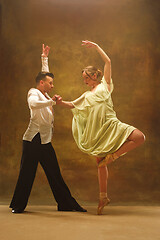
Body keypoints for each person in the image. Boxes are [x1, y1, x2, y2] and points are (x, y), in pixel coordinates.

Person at [52, 40, 145, 215]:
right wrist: (59, 102)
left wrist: (96, 47)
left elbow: (108, 62)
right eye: (84, 79)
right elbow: (71, 105)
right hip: (99, 132)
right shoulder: (86, 95)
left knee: (139, 137)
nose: (85, 81)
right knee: (100, 164)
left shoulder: (105, 86)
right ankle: (103, 197)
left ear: (94, 76)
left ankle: (114, 156)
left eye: (86, 78)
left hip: (112, 125)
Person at [9, 44, 87, 213]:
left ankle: (66, 203)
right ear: (42, 83)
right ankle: (18, 205)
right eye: (50, 83)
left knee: (54, 173)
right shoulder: (34, 93)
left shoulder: (44, 92)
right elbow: (33, 104)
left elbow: (45, 75)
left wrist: (44, 58)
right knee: (27, 173)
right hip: (32, 140)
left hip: (45, 141)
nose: (53, 86)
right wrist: (51, 102)